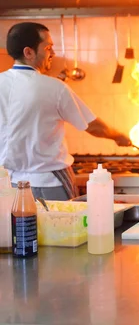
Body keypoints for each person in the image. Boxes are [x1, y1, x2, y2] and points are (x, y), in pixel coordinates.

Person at [0, 22, 131, 200]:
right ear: (28, 52)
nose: (53, 53)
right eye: (48, 48)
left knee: (19, 229)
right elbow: (93, 126)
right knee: (61, 227)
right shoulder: (54, 88)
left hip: (10, 186)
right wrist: (119, 136)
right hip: (50, 184)